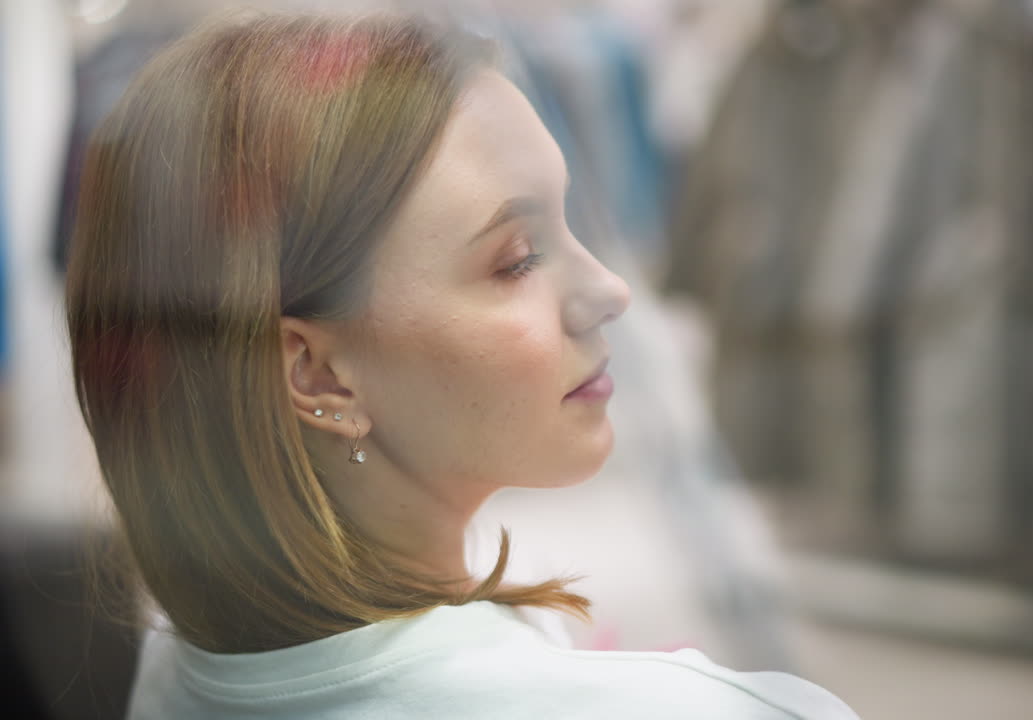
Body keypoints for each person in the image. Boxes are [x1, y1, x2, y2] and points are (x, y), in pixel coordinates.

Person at [63, 10, 859, 719]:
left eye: (569, 221)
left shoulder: (184, 665)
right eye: (516, 260)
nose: (608, 289)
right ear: (318, 375)